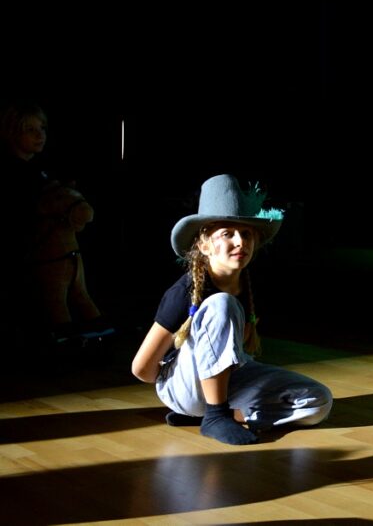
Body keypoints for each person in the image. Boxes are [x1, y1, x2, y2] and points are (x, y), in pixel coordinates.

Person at [131, 174, 333, 445]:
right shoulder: (185, 291)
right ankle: (214, 414)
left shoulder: (247, 284)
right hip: (185, 387)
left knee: (318, 401)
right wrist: (186, 375)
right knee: (221, 303)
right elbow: (142, 368)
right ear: (204, 245)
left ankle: (219, 414)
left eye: (246, 234)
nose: (240, 241)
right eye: (228, 233)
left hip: (229, 382)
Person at [0, 100, 112, 344]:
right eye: (30, 130)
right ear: (13, 132)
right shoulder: (12, 173)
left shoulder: (39, 170)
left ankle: (91, 334)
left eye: (42, 128)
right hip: (27, 257)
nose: (39, 135)